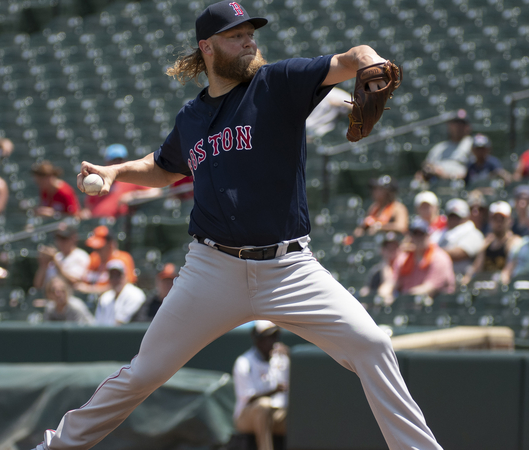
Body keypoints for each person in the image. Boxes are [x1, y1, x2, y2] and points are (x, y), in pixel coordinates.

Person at [30, 3, 443, 449]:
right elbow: (164, 166)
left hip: (289, 268)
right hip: (212, 269)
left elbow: (352, 57)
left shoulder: (277, 83)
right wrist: (115, 173)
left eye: (251, 33)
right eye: (235, 35)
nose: (248, 41)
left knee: (373, 346)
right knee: (143, 373)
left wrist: (369, 61)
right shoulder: (192, 117)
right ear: (207, 48)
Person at [232, 321, 290, 450]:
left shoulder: (283, 359)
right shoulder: (244, 362)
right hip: (247, 417)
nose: (274, 342)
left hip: (277, 414)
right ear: (258, 340)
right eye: (269, 337)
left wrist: (291, 357)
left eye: (275, 337)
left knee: (299, 414)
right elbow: (248, 398)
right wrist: (274, 391)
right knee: (263, 406)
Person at [378, 216, 455, 304]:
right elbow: (391, 283)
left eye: (421, 234)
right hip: (408, 305)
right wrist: (383, 294)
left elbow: (428, 289)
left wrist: (399, 299)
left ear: (428, 235)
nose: (418, 238)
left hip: (437, 307)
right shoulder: (404, 258)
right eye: (415, 234)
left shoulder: (439, 258)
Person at [79, 144, 154, 219]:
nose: (117, 163)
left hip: (120, 224)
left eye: (120, 160)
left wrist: (133, 195)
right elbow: (89, 207)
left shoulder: (131, 179)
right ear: (107, 161)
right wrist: (86, 213)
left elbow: (155, 192)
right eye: (114, 160)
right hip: (97, 224)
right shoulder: (97, 181)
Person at [462, 201, 521, 285]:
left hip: (501, 287)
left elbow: (508, 272)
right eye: (495, 219)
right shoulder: (486, 243)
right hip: (485, 286)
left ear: (510, 220)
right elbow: (476, 269)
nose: (498, 222)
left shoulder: (514, 242)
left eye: (502, 219)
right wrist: (466, 280)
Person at [75, 225, 137, 294]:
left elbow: (123, 286)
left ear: (111, 244)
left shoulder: (123, 258)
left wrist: (92, 290)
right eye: (95, 248)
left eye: (100, 248)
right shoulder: (94, 257)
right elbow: (83, 281)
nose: (96, 251)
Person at [419, 109, 473, 181]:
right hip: (437, 185)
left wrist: (442, 174)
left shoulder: (473, 144)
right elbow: (427, 165)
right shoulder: (439, 148)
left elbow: (476, 170)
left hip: (462, 185)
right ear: (449, 125)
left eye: (462, 123)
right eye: (455, 123)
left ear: (468, 127)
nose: (458, 126)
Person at [33, 225, 90, 290]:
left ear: (73, 238)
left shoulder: (81, 256)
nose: (60, 242)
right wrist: (43, 265)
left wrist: (55, 261)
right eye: (58, 238)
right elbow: (38, 286)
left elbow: (74, 282)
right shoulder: (57, 256)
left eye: (63, 238)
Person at [437, 198, 485, 275]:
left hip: (461, 279)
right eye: (451, 216)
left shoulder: (474, 233)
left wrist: (430, 252)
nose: (454, 220)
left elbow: (459, 254)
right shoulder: (440, 234)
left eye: (458, 217)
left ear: (467, 217)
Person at [94, 259, 147, 326]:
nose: (115, 279)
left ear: (125, 276)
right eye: (112, 276)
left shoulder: (135, 294)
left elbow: (120, 323)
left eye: (118, 276)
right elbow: (97, 324)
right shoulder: (105, 297)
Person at [358, 231, 400, 299]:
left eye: (394, 247)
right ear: (382, 250)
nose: (391, 251)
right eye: (388, 248)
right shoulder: (376, 270)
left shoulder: (404, 266)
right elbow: (366, 289)